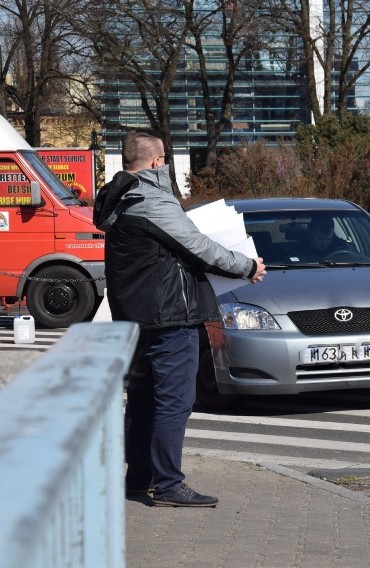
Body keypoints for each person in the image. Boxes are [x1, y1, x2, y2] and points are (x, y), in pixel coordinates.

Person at [93, 128, 266, 507]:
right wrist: (246, 266)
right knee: (174, 402)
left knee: (141, 401)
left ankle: (137, 479)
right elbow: (200, 246)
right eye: (165, 160)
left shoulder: (119, 200)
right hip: (170, 317)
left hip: (135, 320)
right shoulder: (153, 200)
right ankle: (169, 484)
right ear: (156, 163)